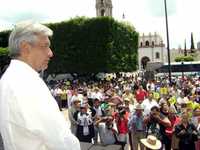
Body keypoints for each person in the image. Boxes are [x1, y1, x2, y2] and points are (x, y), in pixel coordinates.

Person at [0, 21, 80, 150]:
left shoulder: (7, 78)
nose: (50, 53)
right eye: (45, 46)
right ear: (26, 47)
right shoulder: (29, 85)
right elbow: (61, 140)